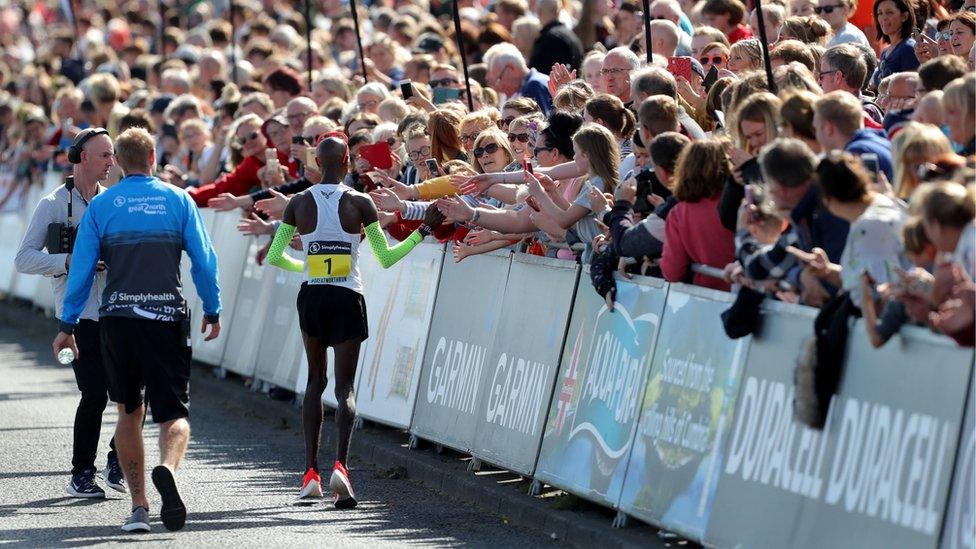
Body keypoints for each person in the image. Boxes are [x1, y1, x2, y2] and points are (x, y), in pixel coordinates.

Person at [53, 127, 222, 534]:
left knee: (128, 412)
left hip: (118, 320)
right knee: (174, 414)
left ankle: (139, 508)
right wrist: (212, 307)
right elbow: (204, 259)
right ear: (152, 158)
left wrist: (67, 323)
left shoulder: (102, 205)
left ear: (120, 163)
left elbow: (80, 270)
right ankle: (168, 467)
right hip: (166, 318)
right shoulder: (179, 199)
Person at [264, 135, 444, 508]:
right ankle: (341, 467)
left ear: (317, 160)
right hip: (348, 296)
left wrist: (310, 266)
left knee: (315, 381)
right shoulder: (360, 202)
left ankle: (309, 473)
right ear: (347, 160)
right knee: (345, 388)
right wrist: (424, 230)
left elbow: (276, 256)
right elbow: (387, 257)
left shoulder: (298, 202)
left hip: (313, 295)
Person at [15, 128, 125, 499]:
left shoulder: (113, 203)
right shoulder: (51, 204)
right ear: (79, 158)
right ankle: (81, 473)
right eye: (104, 155)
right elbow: (23, 259)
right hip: (76, 315)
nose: (111, 162)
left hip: (114, 310)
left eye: (113, 155)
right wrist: (68, 260)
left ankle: (118, 458)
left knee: (128, 393)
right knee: (94, 392)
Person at [660, 139, 736, 291]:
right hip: (747, 294)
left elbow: (672, 272)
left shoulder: (679, 213)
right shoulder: (743, 201)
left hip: (706, 297)